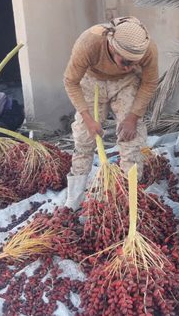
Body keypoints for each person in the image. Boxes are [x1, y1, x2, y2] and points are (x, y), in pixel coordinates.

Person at [63, 16, 159, 209]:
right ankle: (74, 200)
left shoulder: (148, 49)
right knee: (83, 139)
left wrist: (132, 118)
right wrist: (88, 119)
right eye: (125, 62)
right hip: (91, 82)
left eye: (135, 63)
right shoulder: (88, 43)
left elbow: (149, 83)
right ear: (112, 47)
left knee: (132, 139)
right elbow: (70, 81)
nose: (130, 66)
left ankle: (127, 199)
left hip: (126, 83)